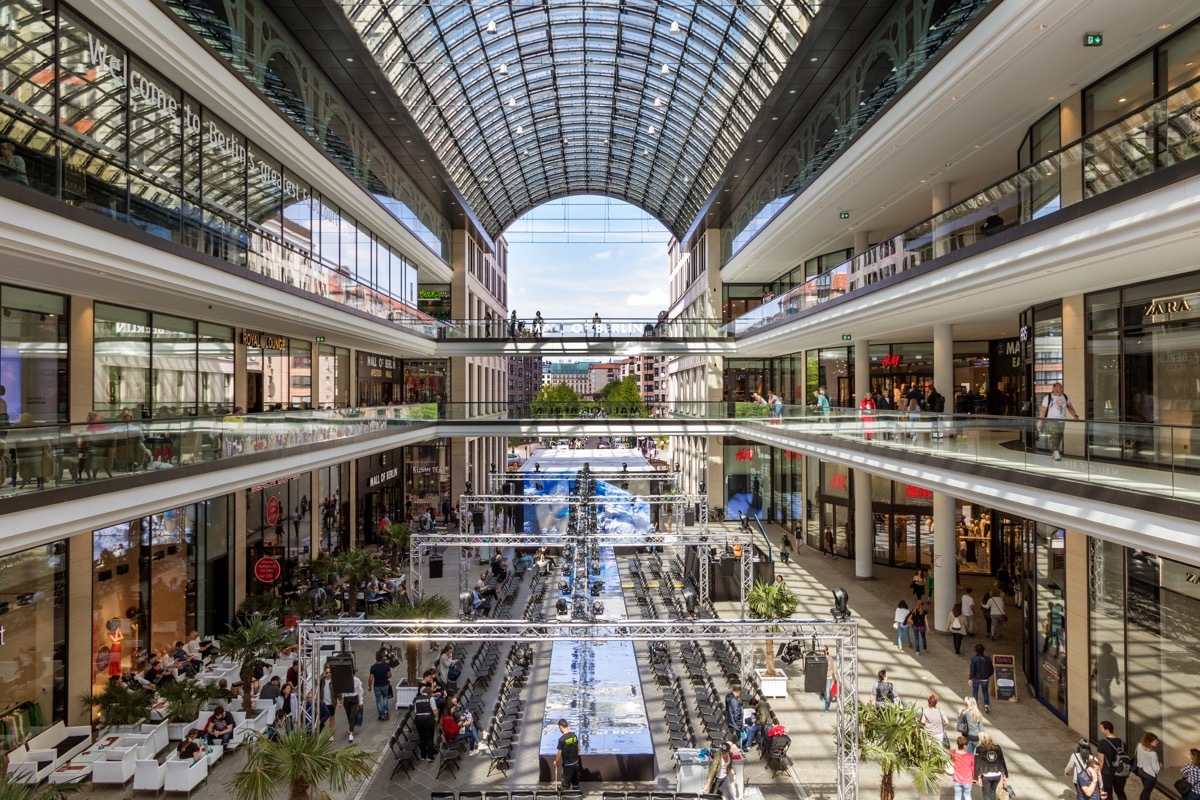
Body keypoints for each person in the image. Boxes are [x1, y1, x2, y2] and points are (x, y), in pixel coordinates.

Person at [1037, 382, 1080, 461]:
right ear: (1054, 388)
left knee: (1059, 436)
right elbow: (1043, 411)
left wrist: (1075, 415)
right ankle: (1056, 452)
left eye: (1062, 388)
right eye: (1060, 388)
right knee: (1054, 435)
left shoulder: (1065, 397)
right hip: (1052, 420)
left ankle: (1054, 451)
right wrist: (1040, 421)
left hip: (1062, 420)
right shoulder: (1048, 398)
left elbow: (1070, 407)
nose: (1061, 389)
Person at [1098, 719, 1131, 800]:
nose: (1100, 729)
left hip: (1107, 772)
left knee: (1108, 793)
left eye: (1101, 728)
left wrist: (1098, 773)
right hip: (1121, 771)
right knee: (1120, 791)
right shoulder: (1122, 742)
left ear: (1107, 730)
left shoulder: (1102, 743)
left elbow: (1101, 760)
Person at [973, 732, 1008, 800]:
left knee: (986, 794)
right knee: (993, 792)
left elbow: (977, 763)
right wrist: (1004, 775)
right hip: (997, 775)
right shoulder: (997, 747)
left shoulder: (979, 749)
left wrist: (977, 777)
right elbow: (1001, 761)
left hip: (986, 775)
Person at [412, 684, 439, 761]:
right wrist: (436, 717)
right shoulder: (430, 698)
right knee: (430, 738)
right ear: (430, 693)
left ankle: (423, 755)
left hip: (418, 719)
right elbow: (434, 710)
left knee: (422, 737)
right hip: (428, 719)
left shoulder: (416, 699)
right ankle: (430, 756)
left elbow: (415, 711)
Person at [555, 718, 581, 790]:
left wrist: (556, 762)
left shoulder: (562, 740)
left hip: (568, 765)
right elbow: (578, 749)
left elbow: (559, 754)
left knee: (565, 786)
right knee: (576, 784)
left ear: (561, 727)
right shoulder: (574, 736)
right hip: (576, 763)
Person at [1134, 733, 1161, 800]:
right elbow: (1156, 769)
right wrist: (1159, 765)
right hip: (1150, 775)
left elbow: (1136, 755)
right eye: (1155, 741)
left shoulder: (1139, 746)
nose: (1157, 743)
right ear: (1150, 742)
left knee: (1145, 791)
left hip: (1141, 771)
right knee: (1147, 793)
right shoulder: (1153, 754)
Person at [368, 651, 392, 722]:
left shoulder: (373, 667)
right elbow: (390, 675)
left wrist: (369, 686)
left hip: (377, 686)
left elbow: (371, 678)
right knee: (385, 698)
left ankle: (381, 716)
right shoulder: (386, 666)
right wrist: (386, 676)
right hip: (385, 685)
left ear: (376, 659)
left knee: (378, 700)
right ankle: (385, 712)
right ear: (382, 658)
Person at [340, 670, 364, 743]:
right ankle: (351, 727)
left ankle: (351, 733)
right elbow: (342, 691)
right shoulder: (344, 680)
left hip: (354, 699)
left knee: (352, 715)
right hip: (346, 699)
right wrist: (341, 700)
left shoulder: (357, 680)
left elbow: (360, 691)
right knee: (348, 715)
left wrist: (361, 702)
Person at [969, 643, 994, 711]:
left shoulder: (974, 659)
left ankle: (975, 705)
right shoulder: (988, 659)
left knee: (975, 692)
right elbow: (991, 669)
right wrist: (989, 674)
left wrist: (970, 678)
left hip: (976, 678)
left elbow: (972, 669)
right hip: (985, 678)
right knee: (985, 691)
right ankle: (986, 705)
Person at [951, 736, 975, 800]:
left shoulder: (953, 754)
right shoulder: (970, 756)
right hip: (968, 779)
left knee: (957, 796)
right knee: (967, 796)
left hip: (957, 779)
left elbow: (951, 755)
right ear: (965, 746)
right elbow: (973, 768)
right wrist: (973, 777)